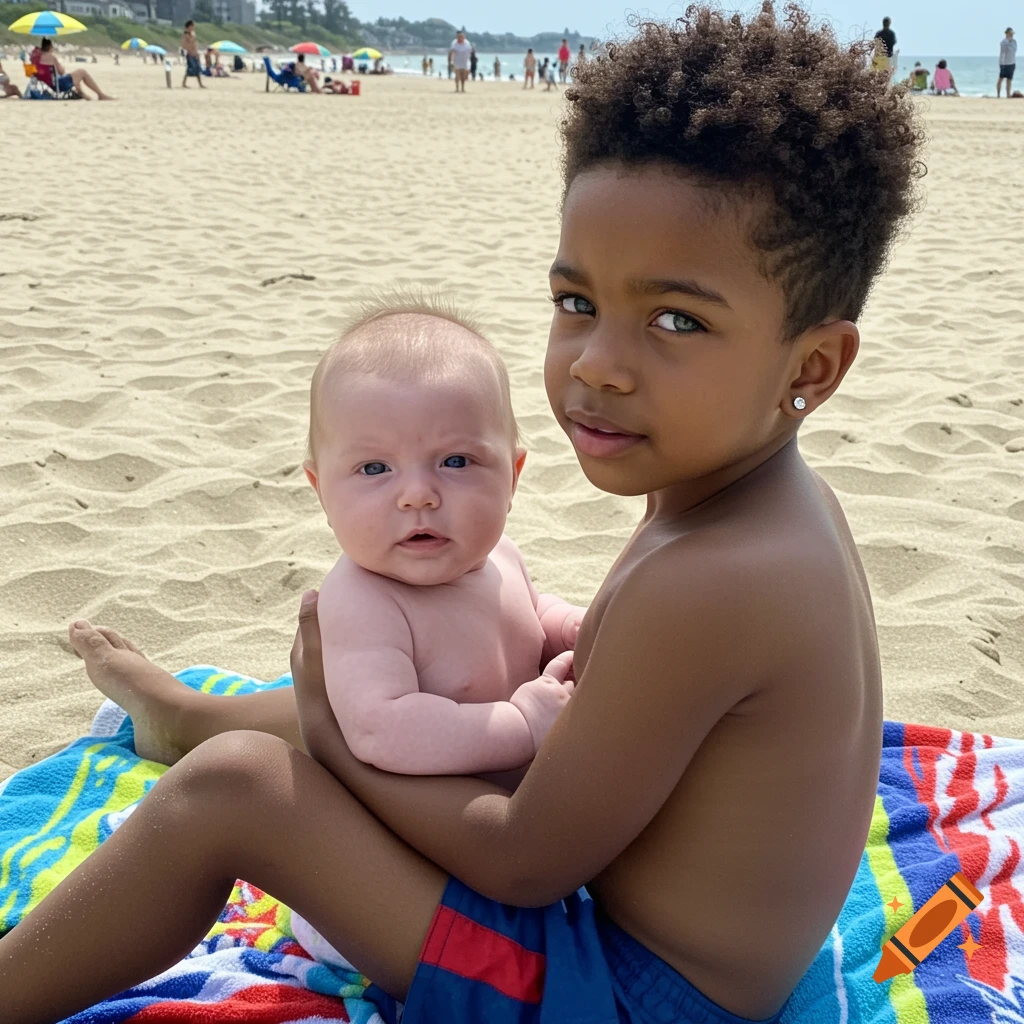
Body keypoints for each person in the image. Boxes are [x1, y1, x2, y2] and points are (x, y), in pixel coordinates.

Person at [0, 5, 920, 1023]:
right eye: (577, 301)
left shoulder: (711, 576)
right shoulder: (769, 508)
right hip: (660, 949)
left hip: (623, 994)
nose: (598, 363)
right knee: (457, 655)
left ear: (812, 367)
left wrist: (330, 736)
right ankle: (188, 713)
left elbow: (522, 857)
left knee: (237, 789)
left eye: (675, 320)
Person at [298, 302, 582, 786]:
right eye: (374, 469)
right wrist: (522, 725)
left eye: (455, 461)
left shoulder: (498, 555)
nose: (417, 496)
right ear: (321, 490)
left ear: (511, 478)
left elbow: (530, 614)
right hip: (431, 821)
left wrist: (572, 627)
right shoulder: (364, 599)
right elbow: (381, 728)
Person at [34, 37, 114, 99]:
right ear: (50, 47)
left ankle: (84, 95)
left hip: (45, 85)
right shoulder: (51, 57)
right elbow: (61, 71)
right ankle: (100, 94)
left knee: (74, 77)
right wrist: (62, 67)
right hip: (56, 85)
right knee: (82, 72)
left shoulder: (36, 57)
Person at [181, 20, 204, 89]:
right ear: (189, 26)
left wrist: (196, 53)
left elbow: (195, 44)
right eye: (192, 26)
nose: (193, 27)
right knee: (190, 69)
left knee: (197, 69)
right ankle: (184, 83)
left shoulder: (193, 34)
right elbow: (184, 45)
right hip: (190, 54)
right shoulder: (186, 35)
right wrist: (190, 52)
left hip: (195, 54)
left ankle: (200, 84)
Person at [998, 28, 1016, 98]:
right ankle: (998, 94)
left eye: (1012, 34)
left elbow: (1014, 50)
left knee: (1009, 79)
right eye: (1010, 33)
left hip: (1012, 63)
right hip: (1004, 63)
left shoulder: (1014, 42)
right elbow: (1004, 51)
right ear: (1007, 34)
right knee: (1001, 79)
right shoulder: (1004, 42)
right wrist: (1001, 64)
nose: (1011, 35)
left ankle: (1008, 94)